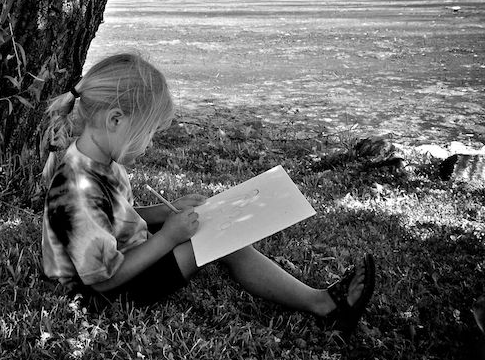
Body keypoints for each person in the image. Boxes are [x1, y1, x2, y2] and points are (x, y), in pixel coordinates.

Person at [41, 53, 375, 336]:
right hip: (102, 295)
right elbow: (103, 279)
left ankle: (319, 301)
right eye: (148, 134)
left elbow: (113, 217)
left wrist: (162, 213)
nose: (149, 145)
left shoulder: (99, 160)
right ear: (116, 119)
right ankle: (322, 305)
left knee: (218, 226)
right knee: (218, 239)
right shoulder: (76, 187)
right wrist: (169, 237)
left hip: (125, 259)